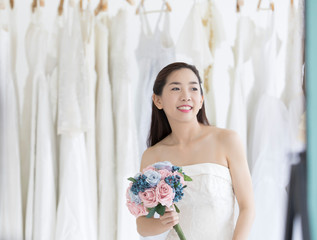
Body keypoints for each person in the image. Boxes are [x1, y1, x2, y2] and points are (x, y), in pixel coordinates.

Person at [136, 62, 255, 240]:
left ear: (201, 99)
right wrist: (162, 223)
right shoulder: (153, 156)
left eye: (193, 88)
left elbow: (247, 208)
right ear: (158, 100)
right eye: (176, 89)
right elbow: (142, 225)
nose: (186, 96)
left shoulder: (227, 140)